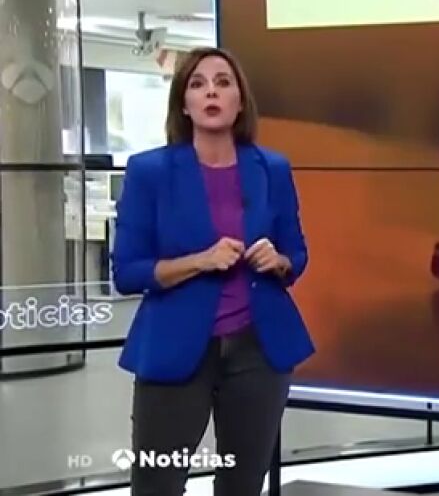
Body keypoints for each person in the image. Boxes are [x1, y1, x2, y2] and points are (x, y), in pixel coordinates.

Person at [112, 46, 315, 495]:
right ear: (183, 104)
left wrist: (279, 261)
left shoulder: (272, 169)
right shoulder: (149, 171)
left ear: (240, 102)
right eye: (198, 84)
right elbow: (127, 272)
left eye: (223, 83)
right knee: (157, 484)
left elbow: (296, 254)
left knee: (242, 484)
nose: (211, 92)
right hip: (175, 346)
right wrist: (200, 261)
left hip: (258, 351)